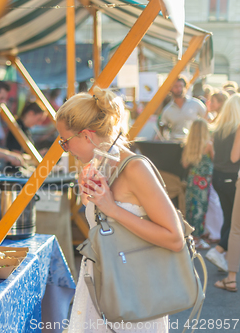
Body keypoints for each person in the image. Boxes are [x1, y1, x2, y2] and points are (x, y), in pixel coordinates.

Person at [58, 87, 184, 333]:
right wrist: (89, 197)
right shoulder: (101, 163)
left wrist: (112, 208)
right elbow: (105, 221)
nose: (65, 148)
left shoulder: (135, 168)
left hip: (134, 292)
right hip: (103, 284)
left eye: (65, 141)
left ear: (86, 135)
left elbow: (174, 238)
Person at [206, 94, 240, 272]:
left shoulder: (219, 129)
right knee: (236, 222)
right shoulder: (236, 130)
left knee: (229, 218)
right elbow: (235, 158)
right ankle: (219, 251)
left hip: (218, 177)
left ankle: (224, 257)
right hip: (231, 178)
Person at [181, 119, 214, 249]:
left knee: (190, 208)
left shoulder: (188, 145)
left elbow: (184, 164)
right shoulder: (208, 145)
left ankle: (190, 236)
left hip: (191, 180)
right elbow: (214, 160)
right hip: (204, 182)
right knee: (201, 208)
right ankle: (197, 239)